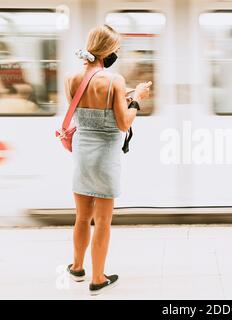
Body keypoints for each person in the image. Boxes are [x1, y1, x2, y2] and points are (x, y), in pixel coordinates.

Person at [64, 24, 151, 295]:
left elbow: (84, 111)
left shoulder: (71, 79)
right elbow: (123, 123)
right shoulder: (115, 81)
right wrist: (137, 98)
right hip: (105, 158)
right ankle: (98, 278)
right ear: (108, 50)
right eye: (116, 49)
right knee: (102, 222)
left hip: (81, 156)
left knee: (81, 218)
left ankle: (77, 268)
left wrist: (120, 100)